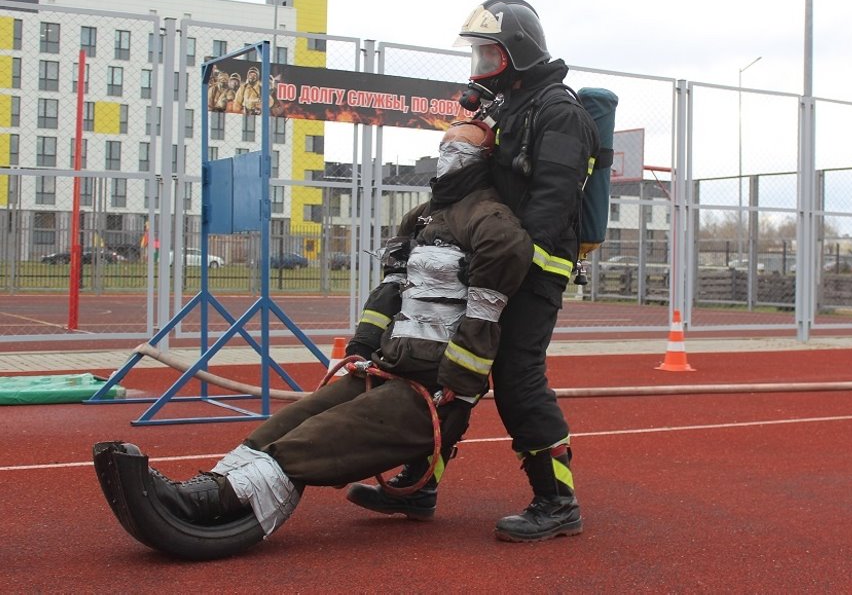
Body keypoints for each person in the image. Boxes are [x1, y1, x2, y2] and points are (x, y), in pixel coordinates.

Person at [93, 120, 534, 559]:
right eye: (444, 144)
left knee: (311, 443)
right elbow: (390, 292)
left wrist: (455, 383)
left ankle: (214, 502)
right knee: (286, 423)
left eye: (462, 147)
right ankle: (213, 485)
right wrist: (362, 348)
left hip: (435, 392)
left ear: (487, 158)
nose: (448, 154)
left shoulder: (494, 226)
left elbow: (484, 317)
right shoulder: (419, 218)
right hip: (387, 369)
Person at [347, 0, 600, 542]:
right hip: (490, 265)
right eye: (479, 54)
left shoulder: (560, 112)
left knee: (516, 378)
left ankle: (558, 501)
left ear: (519, 53)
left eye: (491, 54)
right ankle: (421, 485)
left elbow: (552, 203)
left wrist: (508, 264)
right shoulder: (509, 107)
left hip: (534, 269)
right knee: (452, 372)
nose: (481, 65)